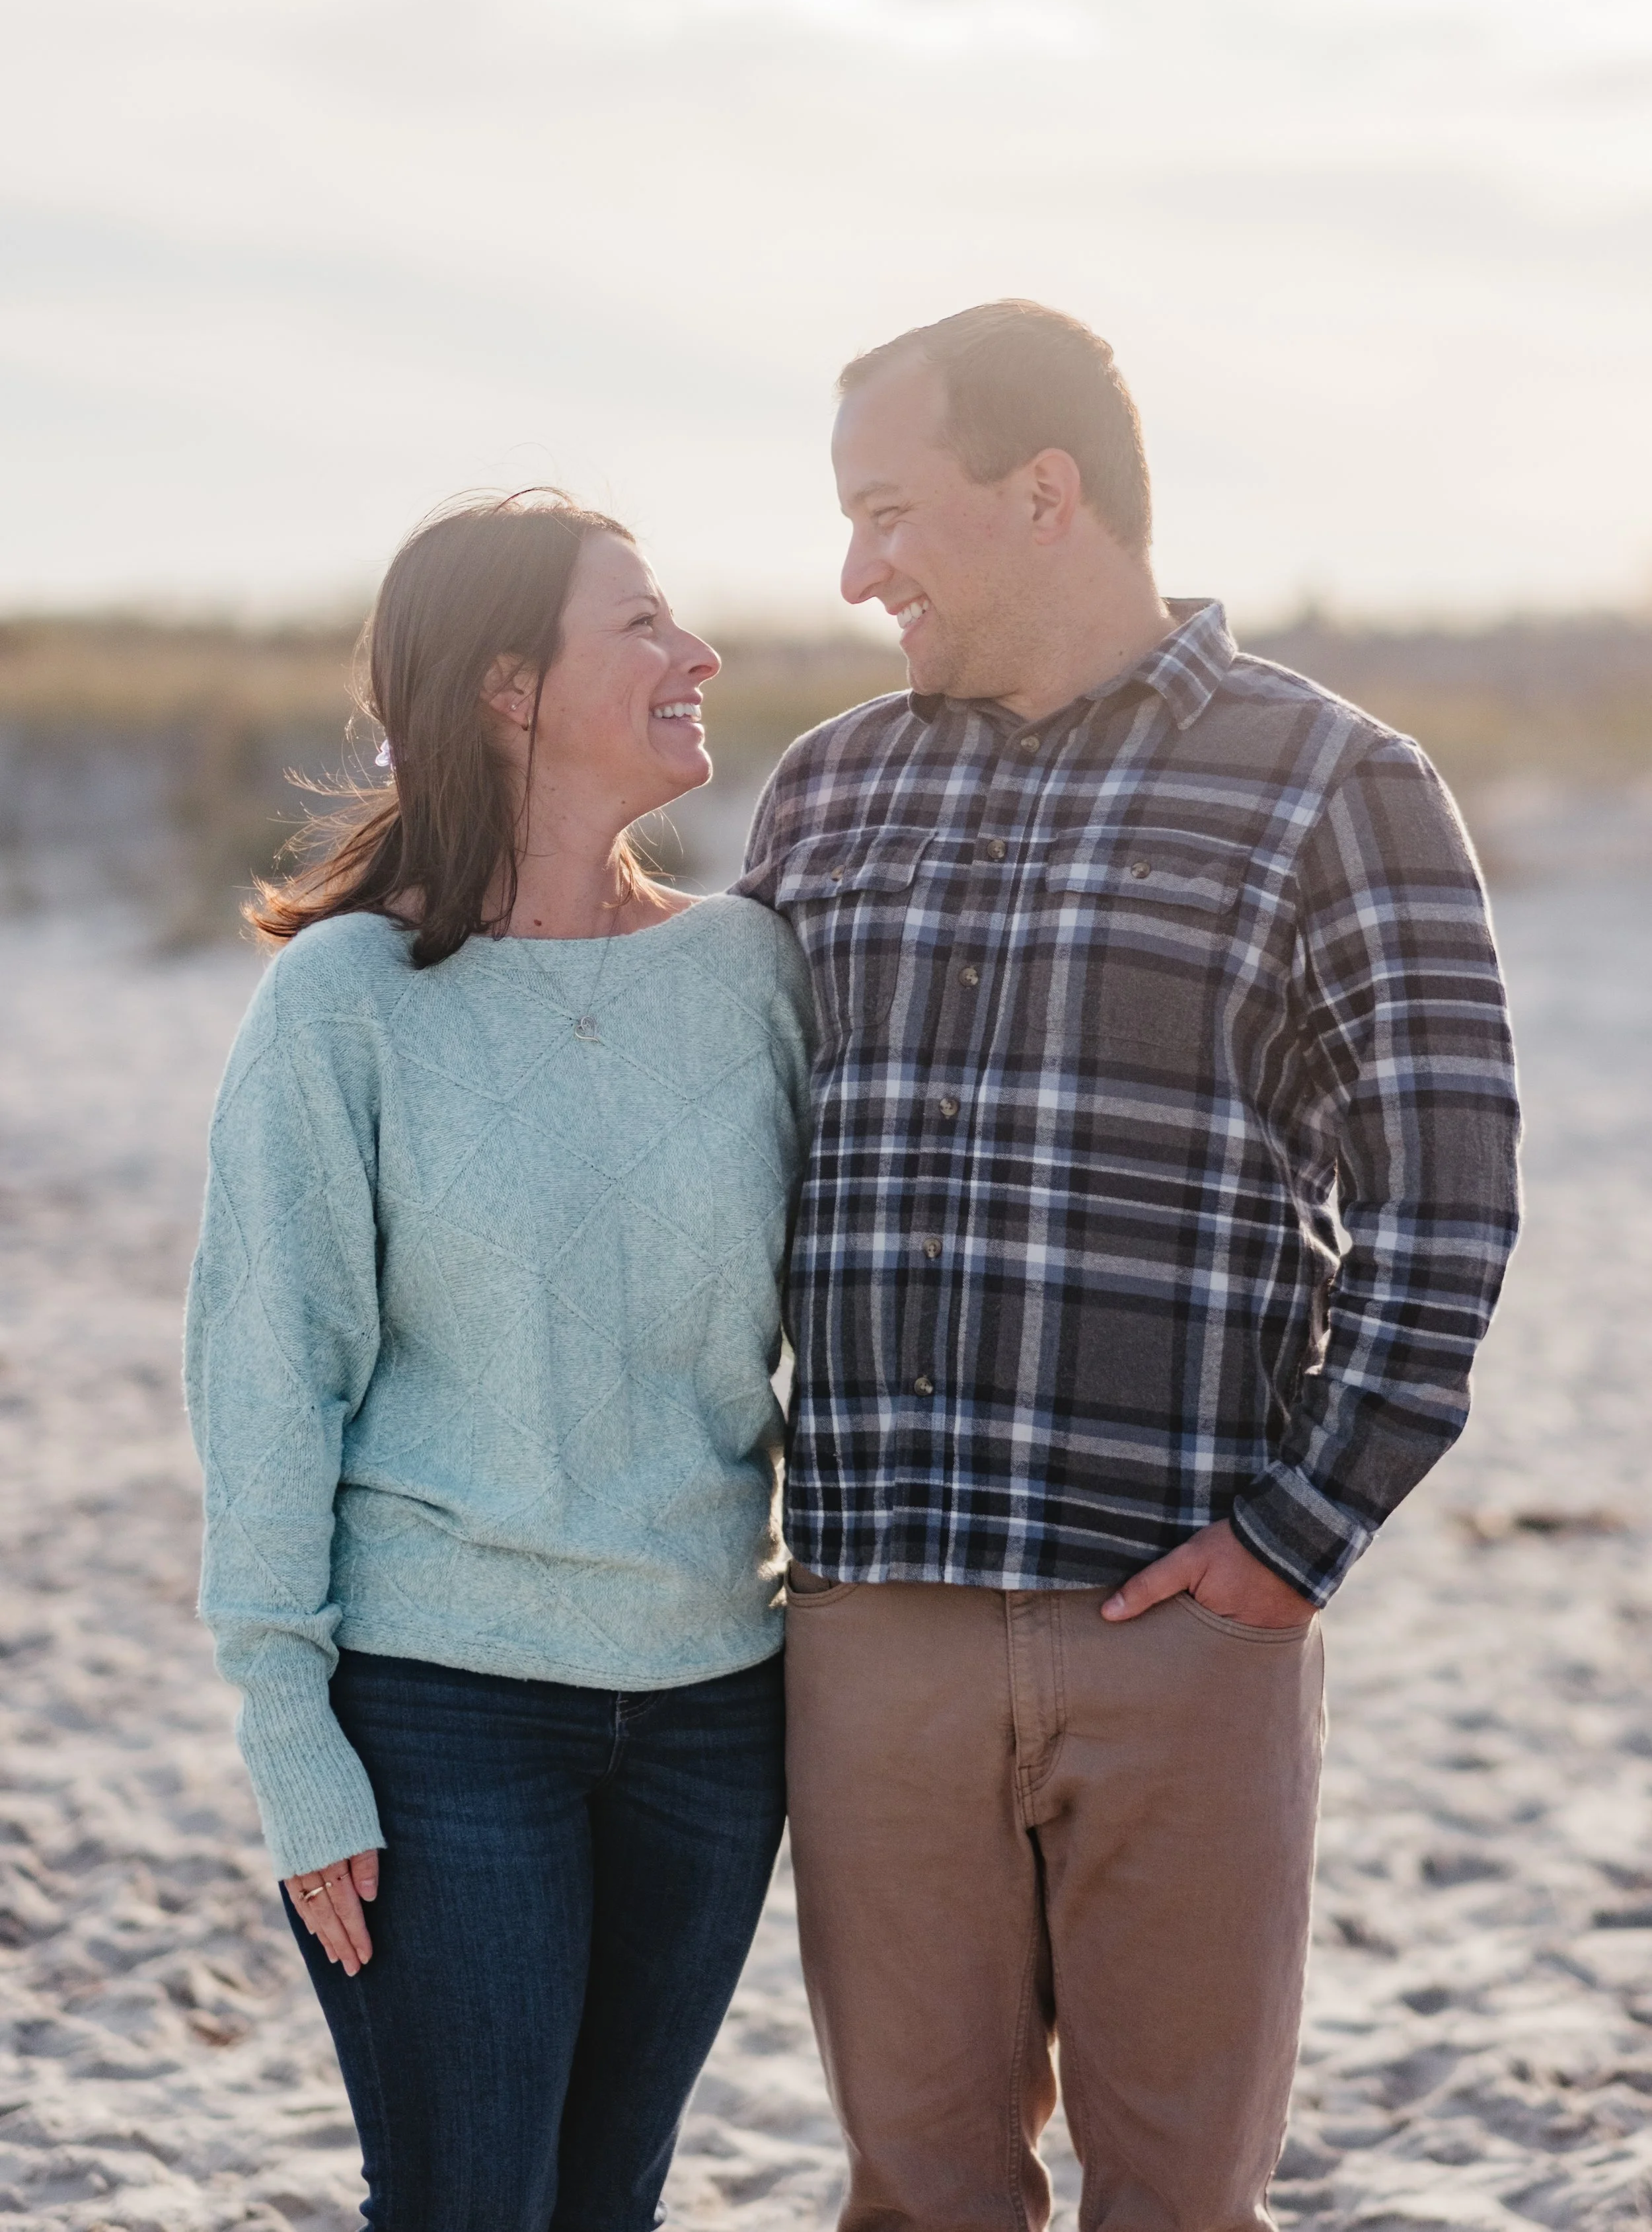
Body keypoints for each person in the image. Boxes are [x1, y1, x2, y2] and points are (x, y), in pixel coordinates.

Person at [736, 301, 1522, 2232]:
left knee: (1175, 2193)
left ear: (1044, 491)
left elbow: (1447, 1195)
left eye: (887, 511)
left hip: (1176, 1624)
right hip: (872, 1625)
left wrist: (1293, 1537)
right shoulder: (825, 792)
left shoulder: (1335, 781)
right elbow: (718, 1168)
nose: (854, 572)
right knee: (913, 2190)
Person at [184, 491, 812, 2232]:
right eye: (645, 626)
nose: (697, 656)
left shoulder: (749, 969)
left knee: (606, 2201)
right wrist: (285, 1722)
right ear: (507, 688)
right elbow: (267, 1372)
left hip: (710, 1702)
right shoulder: (347, 999)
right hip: (436, 1700)